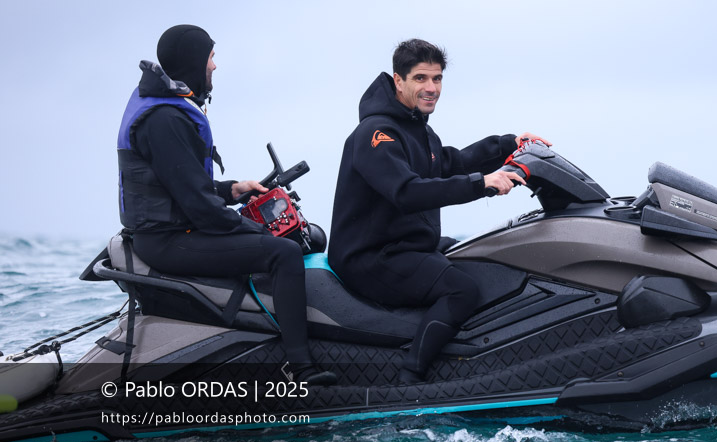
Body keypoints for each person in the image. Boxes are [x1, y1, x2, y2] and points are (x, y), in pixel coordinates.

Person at [116, 24, 337, 385]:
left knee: (279, 240)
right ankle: (300, 367)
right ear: (192, 61)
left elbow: (185, 188)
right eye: (211, 57)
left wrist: (235, 189)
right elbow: (200, 208)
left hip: (174, 230)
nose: (214, 66)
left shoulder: (165, 109)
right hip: (168, 241)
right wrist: (254, 229)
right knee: (283, 252)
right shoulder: (165, 120)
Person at [329, 38, 549, 384]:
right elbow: (407, 192)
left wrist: (510, 144)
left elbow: (450, 163)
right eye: (420, 79)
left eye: (437, 78)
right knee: (461, 290)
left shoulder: (419, 130)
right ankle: (411, 377)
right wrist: (482, 184)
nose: (431, 88)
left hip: (407, 245)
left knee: (482, 254)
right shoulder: (376, 135)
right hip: (370, 256)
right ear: (398, 80)